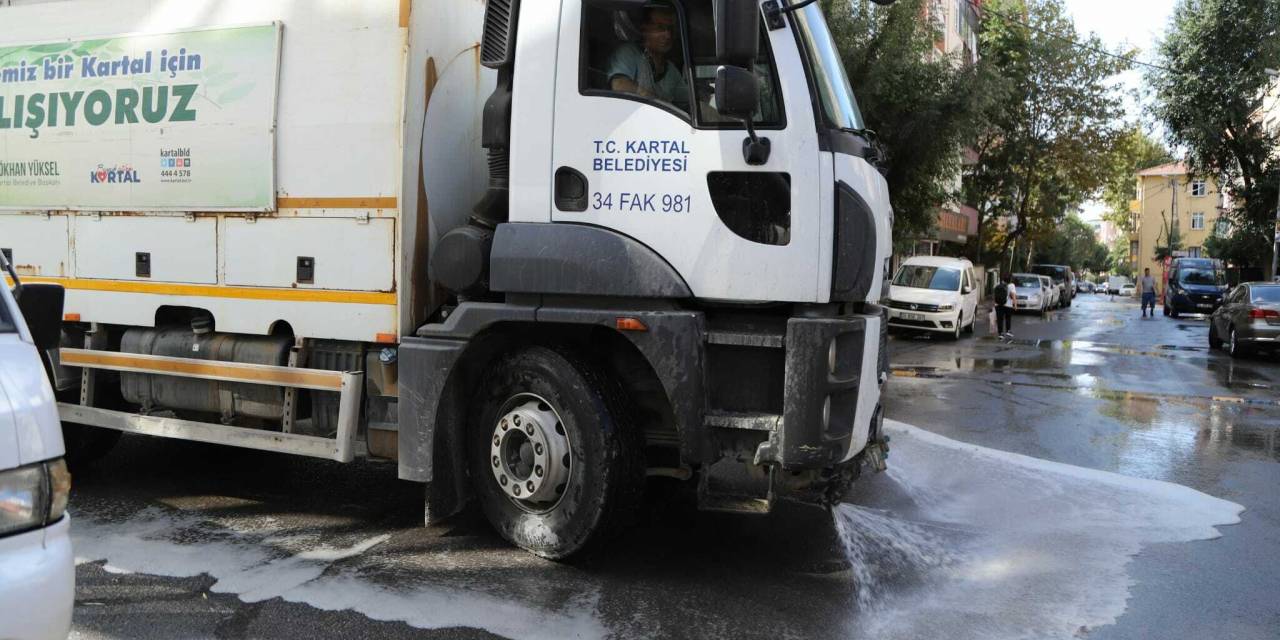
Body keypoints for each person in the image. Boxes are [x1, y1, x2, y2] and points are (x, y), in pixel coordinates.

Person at [607, 6, 689, 109]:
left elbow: (687, 100)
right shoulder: (629, 53)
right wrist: (658, 102)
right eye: (660, 28)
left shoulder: (670, 70)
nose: (668, 35)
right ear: (644, 29)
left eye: (670, 29)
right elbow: (619, 85)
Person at [995, 271, 1016, 339]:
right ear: (1010, 278)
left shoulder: (998, 284)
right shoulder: (1011, 285)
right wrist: (1015, 304)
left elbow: (995, 294)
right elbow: (1013, 295)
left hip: (998, 304)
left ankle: (1000, 333)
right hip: (1008, 305)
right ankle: (1008, 331)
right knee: (1008, 318)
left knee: (1000, 319)